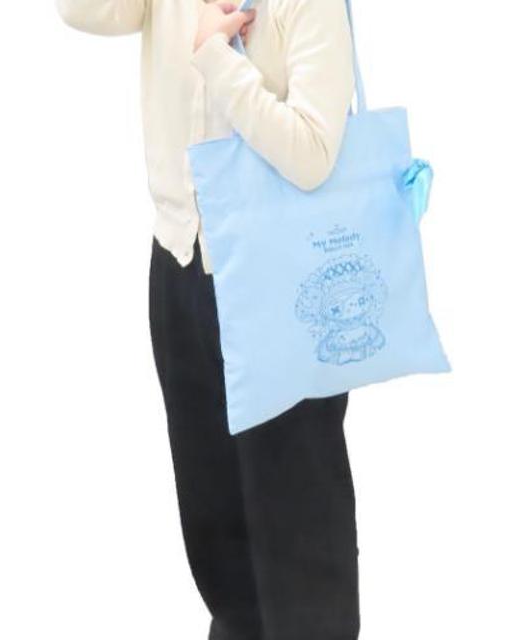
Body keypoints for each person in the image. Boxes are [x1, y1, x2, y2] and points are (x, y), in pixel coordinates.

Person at [57, 1, 359, 638]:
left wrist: (216, 59)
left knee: (301, 526)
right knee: (214, 520)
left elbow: (313, 154)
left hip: (282, 282)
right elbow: (82, 10)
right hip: (180, 260)